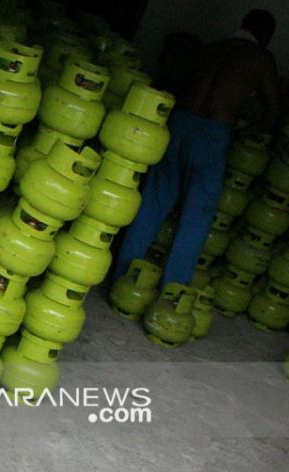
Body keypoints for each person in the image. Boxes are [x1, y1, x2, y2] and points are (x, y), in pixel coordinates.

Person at [112, 9, 280, 326]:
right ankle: (170, 295)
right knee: (196, 217)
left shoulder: (213, 48)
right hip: (212, 135)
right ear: (267, 36)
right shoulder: (260, 59)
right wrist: (248, 128)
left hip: (179, 125)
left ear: (242, 26)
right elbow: (273, 109)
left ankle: (124, 276)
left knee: (154, 202)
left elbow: (178, 82)